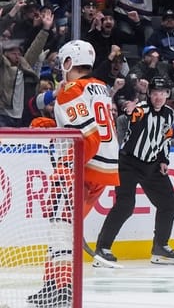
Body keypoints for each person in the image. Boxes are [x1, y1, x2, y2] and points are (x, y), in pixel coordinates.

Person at [26, 39, 121, 306]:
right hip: (103, 170)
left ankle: (63, 287)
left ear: (69, 63)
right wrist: (48, 125)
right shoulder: (100, 87)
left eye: (62, 64)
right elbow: (81, 128)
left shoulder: (72, 90)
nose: (60, 70)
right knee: (61, 228)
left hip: (82, 167)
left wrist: (69, 168)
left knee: (62, 230)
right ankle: (52, 284)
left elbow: (88, 137)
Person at [94, 76, 174, 267]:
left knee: (170, 204)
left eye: (163, 93)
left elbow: (165, 139)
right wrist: (129, 109)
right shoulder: (140, 110)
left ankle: (160, 246)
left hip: (152, 165)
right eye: (155, 93)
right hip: (129, 163)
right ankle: (102, 248)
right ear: (149, 94)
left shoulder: (168, 113)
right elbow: (131, 116)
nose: (159, 97)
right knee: (125, 205)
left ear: (168, 95)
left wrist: (164, 160)